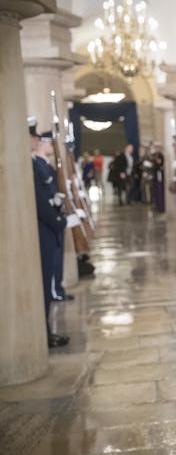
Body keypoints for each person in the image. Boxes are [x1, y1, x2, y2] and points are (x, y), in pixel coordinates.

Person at [30, 119, 71, 348]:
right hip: (45, 227)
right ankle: (43, 332)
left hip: (49, 225)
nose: (36, 140)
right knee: (45, 281)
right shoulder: (35, 164)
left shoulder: (41, 164)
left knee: (49, 277)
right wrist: (58, 221)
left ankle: (46, 331)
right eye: (35, 137)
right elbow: (40, 199)